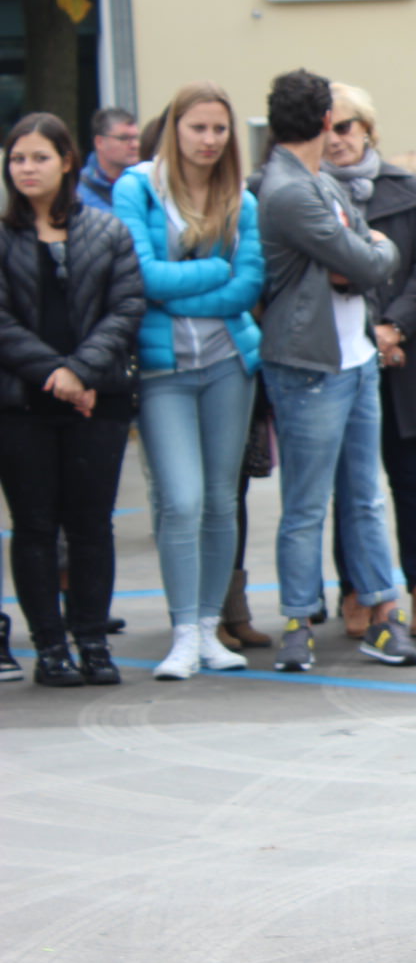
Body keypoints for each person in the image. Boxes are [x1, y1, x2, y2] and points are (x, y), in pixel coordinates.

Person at [255, 68, 416, 672]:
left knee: (364, 498)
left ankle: (382, 615)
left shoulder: (316, 181)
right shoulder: (293, 189)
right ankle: (298, 622)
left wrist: (359, 255)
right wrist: (374, 250)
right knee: (307, 502)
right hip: (311, 364)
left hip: (351, 358)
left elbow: (354, 263)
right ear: (325, 121)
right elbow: (370, 262)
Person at [112, 82, 264, 680]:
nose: (208, 140)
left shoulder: (240, 199)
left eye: (219, 129)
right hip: (163, 369)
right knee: (181, 500)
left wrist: (182, 286)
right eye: (197, 127)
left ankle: (207, 628)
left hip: (229, 363)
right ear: (173, 128)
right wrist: (210, 273)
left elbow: (248, 286)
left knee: (221, 500)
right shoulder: (138, 187)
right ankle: (180, 633)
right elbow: (139, 276)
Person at [0, 113, 144, 686]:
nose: (26, 169)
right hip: (22, 405)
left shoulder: (107, 232)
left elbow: (127, 308)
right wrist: (55, 374)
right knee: (34, 526)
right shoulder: (3, 236)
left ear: (66, 161)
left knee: (91, 526)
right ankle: (50, 646)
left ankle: (92, 640)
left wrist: (81, 371)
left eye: (38, 157)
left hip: (97, 400)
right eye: (16, 159)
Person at [321, 82, 416, 635]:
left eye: (345, 127)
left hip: (404, 351)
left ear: (368, 131)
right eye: (326, 128)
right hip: (341, 353)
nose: (335, 140)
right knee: (349, 483)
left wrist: (392, 327)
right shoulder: (310, 193)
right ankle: (355, 588)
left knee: (409, 478)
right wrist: (366, 331)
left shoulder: (403, 188)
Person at [78, 108, 140, 212]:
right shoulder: (78, 193)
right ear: (99, 142)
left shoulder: (148, 183)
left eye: (136, 137)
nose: (135, 145)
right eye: (124, 138)